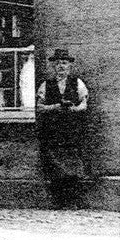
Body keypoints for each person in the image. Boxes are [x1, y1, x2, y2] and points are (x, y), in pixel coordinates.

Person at [36, 48, 90, 209]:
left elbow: (84, 104)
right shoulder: (46, 85)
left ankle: (72, 201)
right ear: (54, 66)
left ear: (70, 66)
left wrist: (73, 109)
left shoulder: (77, 83)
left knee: (73, 164)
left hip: (72, 130)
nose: (61, 66)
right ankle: (59, 201)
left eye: (64, 63)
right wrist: (56, 106)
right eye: (58, 63)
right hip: (53, 131)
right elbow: (39, 107)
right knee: (55, 165)